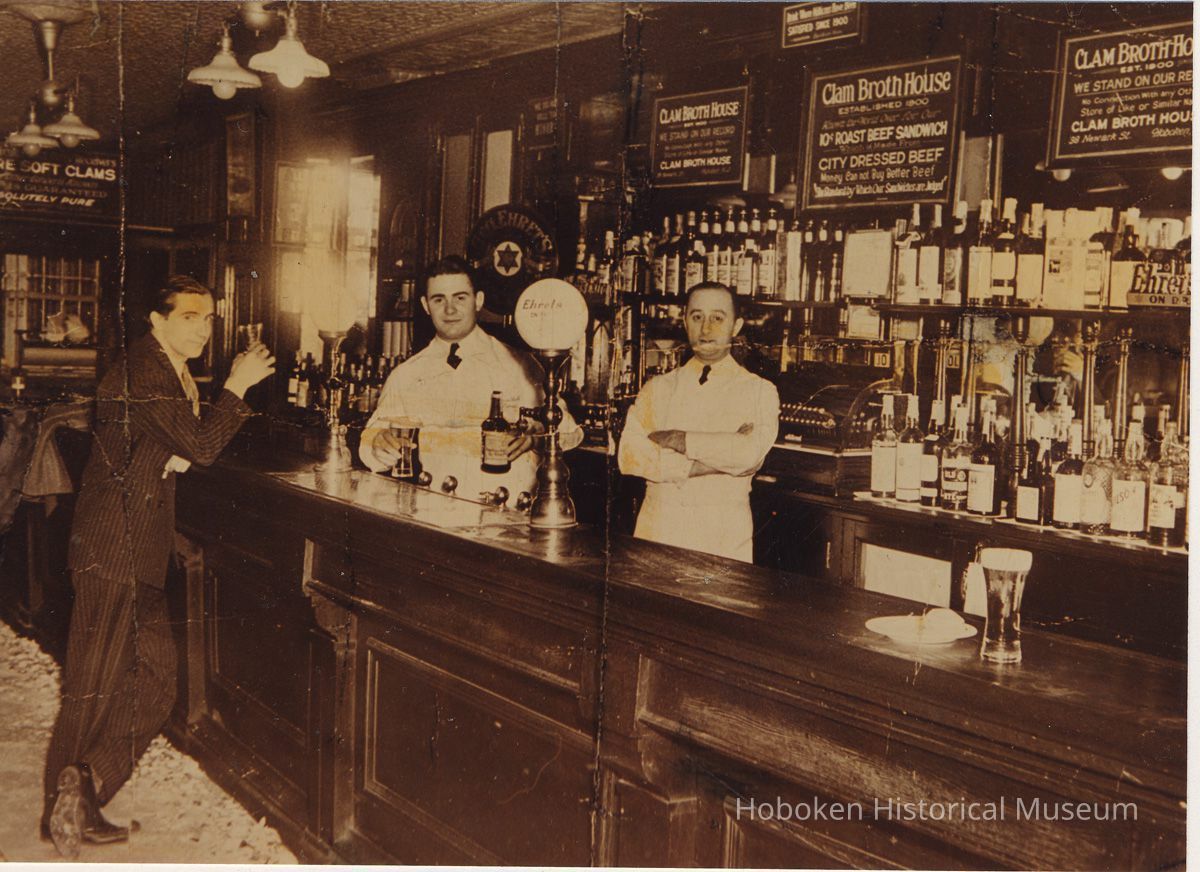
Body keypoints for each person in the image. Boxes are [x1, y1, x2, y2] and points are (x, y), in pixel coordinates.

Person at [42, 276, 275, 859]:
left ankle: (84, 788)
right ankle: (61, 807)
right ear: (157, 319)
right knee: (92, 685)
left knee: (156, 682)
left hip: (135, 547)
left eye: (209, 318)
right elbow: (201, 445)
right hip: (111, 550)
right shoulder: (144, 368)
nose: (202, 327)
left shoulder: (164, 369)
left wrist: (171, 450)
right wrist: (238, 388)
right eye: (191, 316)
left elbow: (172, 443)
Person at [359, 256, 580, 499]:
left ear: (479, 301)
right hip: (434, 513)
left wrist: (535, 439)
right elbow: (369, 446)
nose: (450, 309)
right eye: (439, 299)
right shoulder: (407, 374)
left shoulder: (520, 366)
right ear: (425, 305)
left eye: (460, 297)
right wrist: (380, 443)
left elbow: (571, 434)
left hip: (506, 518)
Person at [618, 282, 779, 562]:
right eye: (697, 317)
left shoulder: (759, 390)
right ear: (685, 322)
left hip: (720, 538)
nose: (706, 329)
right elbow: (630, 456)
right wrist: (710, 459)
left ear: (736, 326)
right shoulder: (657, 388)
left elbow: (748, 454)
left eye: (718, 318)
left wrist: (677, 439)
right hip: (658, 532)